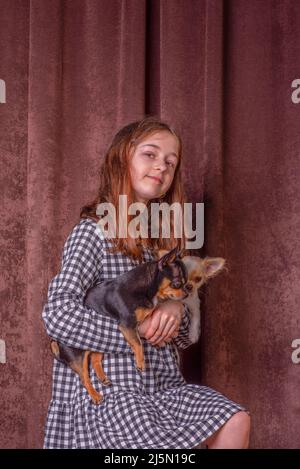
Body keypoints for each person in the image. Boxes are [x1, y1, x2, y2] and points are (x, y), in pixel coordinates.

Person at [42, 116, 250, 449]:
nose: (162, 167)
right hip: (112, 396)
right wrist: (134, 331)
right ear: (121, 158)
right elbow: (58, 313)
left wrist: (176, 309)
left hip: (161, 389)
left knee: (234, 419)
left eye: (171, 161)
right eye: (150, 154)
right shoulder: (94, 234)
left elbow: (182, 338)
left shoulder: (163, 247)